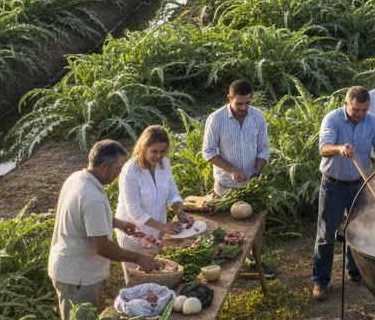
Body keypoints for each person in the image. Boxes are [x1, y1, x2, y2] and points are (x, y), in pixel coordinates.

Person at [47, 139, 158, 320]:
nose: (119, 173)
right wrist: (139, 258)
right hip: (77, 276)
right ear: (104, 166)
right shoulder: (92, 197)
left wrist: (116, 223)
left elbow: (83, 217)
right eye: (117, 168)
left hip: (77, 271)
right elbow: (103, 247)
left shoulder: (78, 178)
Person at [312, 86, 375, 301]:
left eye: (364, 110)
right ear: (346, 104)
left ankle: (356, 273)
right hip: (333, 185)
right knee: (327, 235)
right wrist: (339, 149)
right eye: (356, 110)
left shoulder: (372, 121)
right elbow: (323, 148)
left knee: (359, 231)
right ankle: (320, 282)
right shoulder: (333, 119)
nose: (360, 114)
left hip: (359, 184)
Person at [202, 79, 274, 277]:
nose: (243, 108)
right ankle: (227, 266)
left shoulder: (258, 117)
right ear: (229, 98)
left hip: (252, 184)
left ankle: (255, 261)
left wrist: (257, 171)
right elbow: (207, 151)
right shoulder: (216, 119)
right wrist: (231, 169)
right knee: (228, 228)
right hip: (226, 185)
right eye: (239, 104)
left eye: (247, 103)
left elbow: (264, 148)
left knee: (256, 227)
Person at [115, 125, 194, 282]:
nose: (159, 156)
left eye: (162, 151)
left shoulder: (165, 164)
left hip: (156, 228)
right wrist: (164, 227)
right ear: (143, 148)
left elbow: (173, 192)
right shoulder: (131, 171)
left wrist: (179, 211)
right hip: (133, 232)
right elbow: (134, 210)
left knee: (156, 272)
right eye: (154, 151)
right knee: (136, 278)